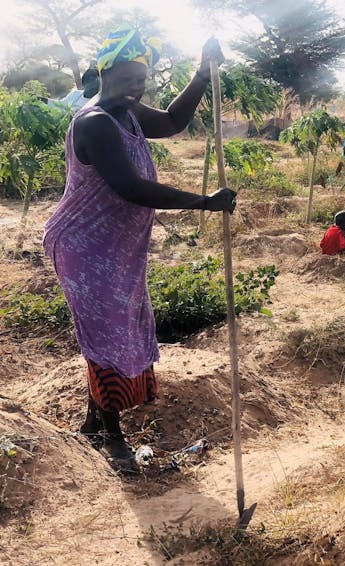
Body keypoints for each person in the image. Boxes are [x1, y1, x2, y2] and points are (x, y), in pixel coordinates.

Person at [42, 27, 236, 472]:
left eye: (142, 79)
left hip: (118, 248)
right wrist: (203, 202)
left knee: (115, 329)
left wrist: (202, 75)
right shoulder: (95, 122)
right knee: (107, 334)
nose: (137, 86)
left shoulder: (127, 112)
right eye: (129, 78)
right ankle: (113, 439)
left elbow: (171, 122)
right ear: (106, 74)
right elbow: (130, 187)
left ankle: (93, 424)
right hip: (83, 246)